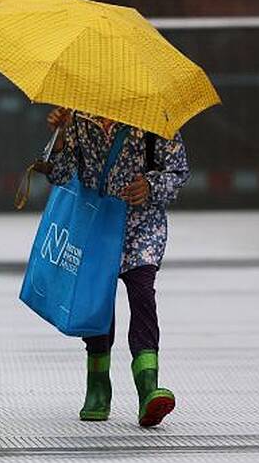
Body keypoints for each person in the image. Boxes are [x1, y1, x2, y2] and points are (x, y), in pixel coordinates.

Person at [43, 107, 189, 427]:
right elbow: (60, 175)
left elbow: (177, 172)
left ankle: (148, 387)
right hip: (96, 226)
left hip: (141, 227)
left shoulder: (156, 116)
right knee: (97, 302)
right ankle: (97, 387)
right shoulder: (79, 119)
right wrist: (61, 136)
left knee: (142, 295)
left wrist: (150, 186)